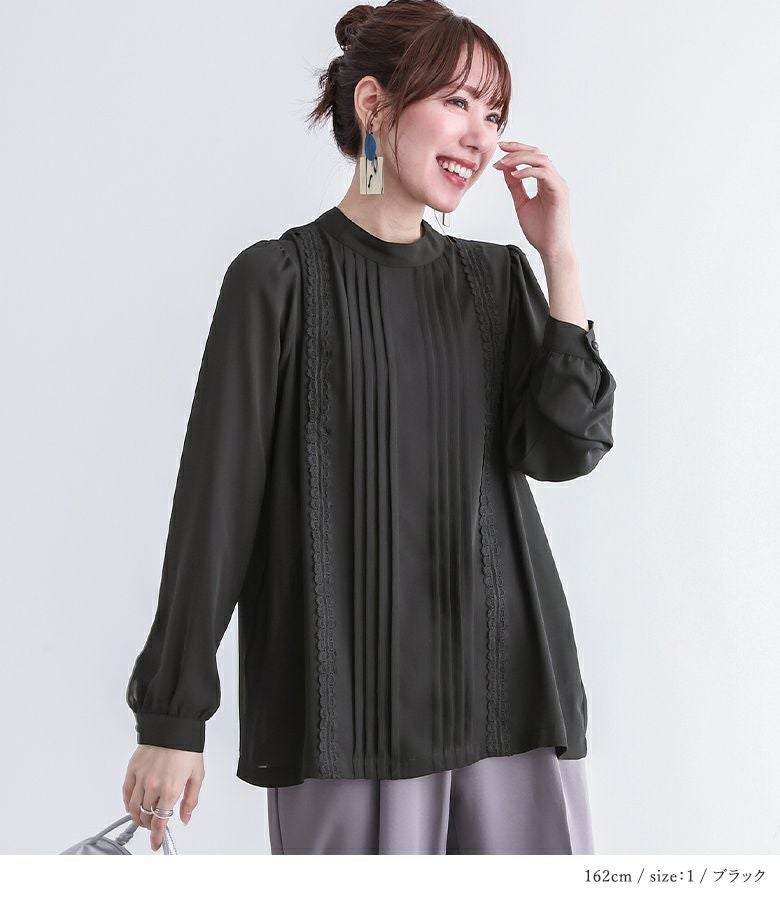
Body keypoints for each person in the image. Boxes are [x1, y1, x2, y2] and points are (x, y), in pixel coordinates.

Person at [122, 0, 617, 854]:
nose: (481, 137)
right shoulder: (278, 281)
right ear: (374, 105)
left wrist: (559, 256)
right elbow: (216, 509)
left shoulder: (496, 281)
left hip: (514, 702)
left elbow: (567, 447)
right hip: (349, 717)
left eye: (495, 114)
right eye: (457, 102)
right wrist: (172, 718)